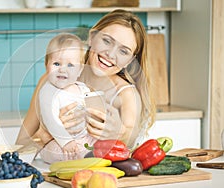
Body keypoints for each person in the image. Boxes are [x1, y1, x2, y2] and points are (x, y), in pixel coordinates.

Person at [16, 9, 156, 162]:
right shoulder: (52, 80)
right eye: (107, 41)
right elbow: (19, 148)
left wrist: (117, 132)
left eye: (123, 51)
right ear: (92, 37)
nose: (111, 54)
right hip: (53, 176)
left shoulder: (125, 94)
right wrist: (44, 135)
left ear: (129, 61)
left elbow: (129, 149)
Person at [37, 33, 97, 163]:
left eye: (70, 65)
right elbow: (51, 120)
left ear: (80, 69)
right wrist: (66, 141)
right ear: (46, 65)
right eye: (57, 64)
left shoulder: (82, 88)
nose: (62, 70)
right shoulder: (48, 91)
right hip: (58, 140)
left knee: (103, 144)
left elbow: (93, 112)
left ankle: (88, 154)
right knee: (57, 152)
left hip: (83, 137)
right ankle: (81, 156)